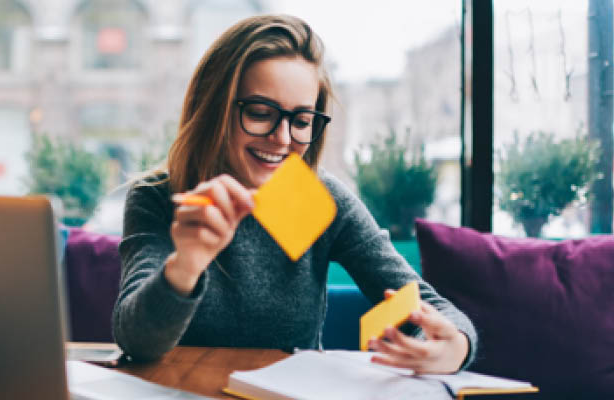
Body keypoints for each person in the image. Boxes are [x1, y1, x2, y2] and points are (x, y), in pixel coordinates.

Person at [112, 14, 477, 374]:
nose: (283, 139)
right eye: (259, 113)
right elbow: (137, 341)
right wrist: (186, 264)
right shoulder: (161, 198)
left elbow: (422, 304)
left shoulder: (315, 199)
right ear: (213, 109)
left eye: (301, 121)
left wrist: (454, 346)